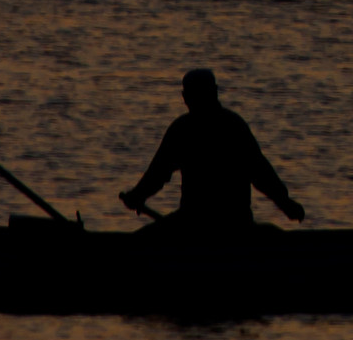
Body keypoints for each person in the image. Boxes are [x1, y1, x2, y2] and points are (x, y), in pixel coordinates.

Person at [119, 68, 306, 234]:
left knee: (141, 241)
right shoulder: (232, 125)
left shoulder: (184, 129)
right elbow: (261, 173)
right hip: (229, 222)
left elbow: (157, 175)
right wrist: (285, 203)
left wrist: (136, 196)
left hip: (201, 222)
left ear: (186, 97)